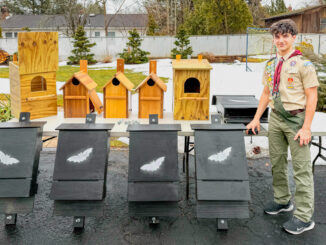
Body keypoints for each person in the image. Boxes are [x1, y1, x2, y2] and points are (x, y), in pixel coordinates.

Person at [246, 19, 319, 235]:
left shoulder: (304, 65)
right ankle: (282, 200)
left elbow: (311, 95)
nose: (281, 40)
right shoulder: (270, 65)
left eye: (285, 36)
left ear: (294, 38)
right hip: (276, 118)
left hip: (297, 121)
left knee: (301, 170)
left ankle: (304, 217)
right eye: (277, 37)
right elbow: (266, 94)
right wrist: (256, 118)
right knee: (277, 162)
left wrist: (306, 127)